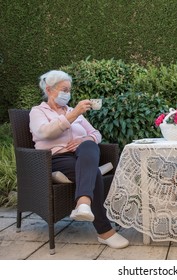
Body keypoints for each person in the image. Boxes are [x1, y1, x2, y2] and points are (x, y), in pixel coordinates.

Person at [29, 70, 129, 249]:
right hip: (56, 158)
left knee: (90, 145)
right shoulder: (38, 112)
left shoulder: (72, 111)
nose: (68, 94)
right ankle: (104, 231)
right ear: (49, 89)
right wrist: (73, 115)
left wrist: (84, 139)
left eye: (69, 90)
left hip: (83, 156)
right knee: (93, 173)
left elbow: (95, 134)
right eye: (64, 90)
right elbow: (44, 132)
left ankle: (83, 202)